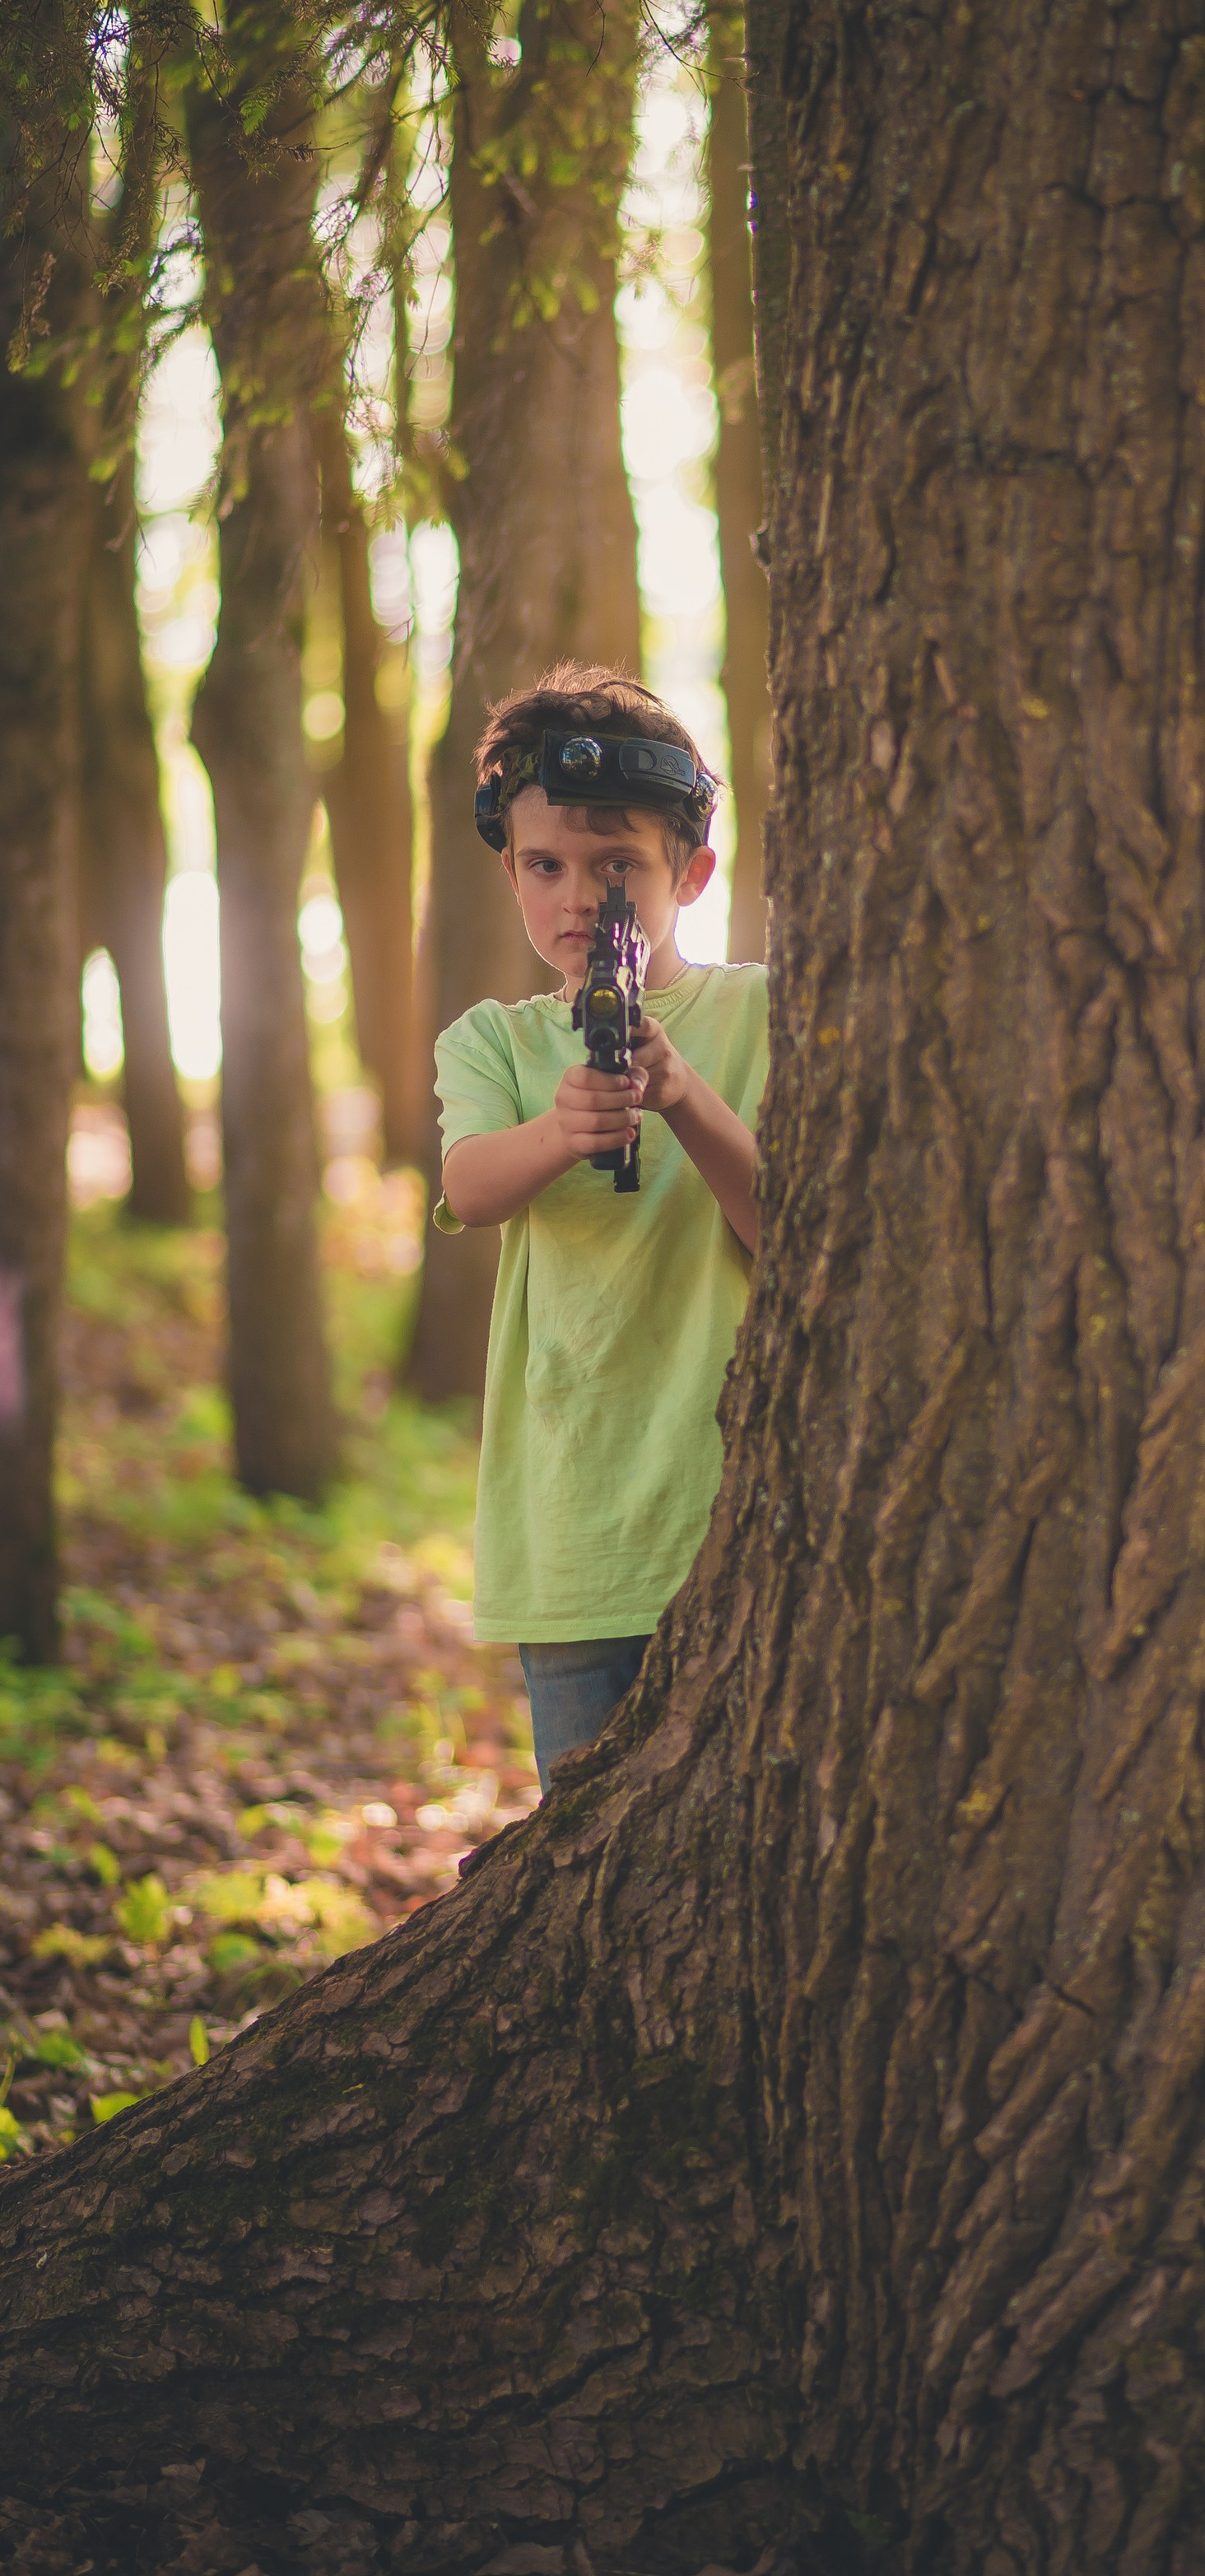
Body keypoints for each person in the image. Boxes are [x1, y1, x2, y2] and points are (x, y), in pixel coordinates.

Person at [433, 663, 766, 1789]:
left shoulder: (758, 1013)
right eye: (546, 865)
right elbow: (470, 1187)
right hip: (572, 1533)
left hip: (734, 1515)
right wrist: (561, 1130)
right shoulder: (496, 1042)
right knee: (590, 1854)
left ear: (693, 874)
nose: (580, 897)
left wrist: (685, 1098)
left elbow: (794, 1231)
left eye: (616, 863)